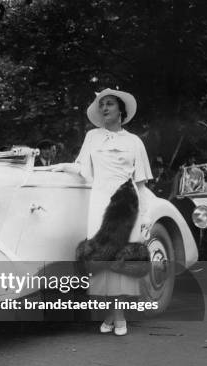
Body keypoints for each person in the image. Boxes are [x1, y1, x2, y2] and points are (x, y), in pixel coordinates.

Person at [50, 88, 153, 336]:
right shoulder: (92, 137)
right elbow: (82, 168)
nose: (104, 108)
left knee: (121, 258)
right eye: (101, 104)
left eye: (109, 104)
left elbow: (141, 184)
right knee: (101, 258)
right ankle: (111, 314)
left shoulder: (134, 142)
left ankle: (118, 317)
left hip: (126, 203)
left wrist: (146, 217)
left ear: (121, 110)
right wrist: (59, 167)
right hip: (99, 203)